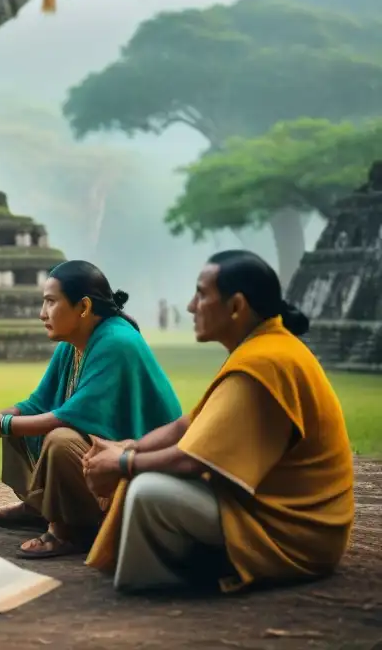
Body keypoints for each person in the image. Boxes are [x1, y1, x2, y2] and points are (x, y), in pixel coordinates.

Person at [83, 250, 355, 594]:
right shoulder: (261, 347)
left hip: (297, 535)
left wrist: (123, 462)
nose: (191, 306)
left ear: (237, 306)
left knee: (148, 490)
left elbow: (192, 460)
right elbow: (189, 424)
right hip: (290, 519)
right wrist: (131, 446)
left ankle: (162, 585)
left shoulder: (265, 361)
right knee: (146, 476)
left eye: (202, 294)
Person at [0, 260, 182, 559]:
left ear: (84, 307)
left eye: (51, 302)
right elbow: (37, 404)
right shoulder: (74, 342)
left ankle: (68, 530)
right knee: (17, 419)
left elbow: (68, 417)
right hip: (105, 458)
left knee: (59, 440)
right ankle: (39, 506)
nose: (42, 314)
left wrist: (1, 424)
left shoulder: (117, 342)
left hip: (137, 475)